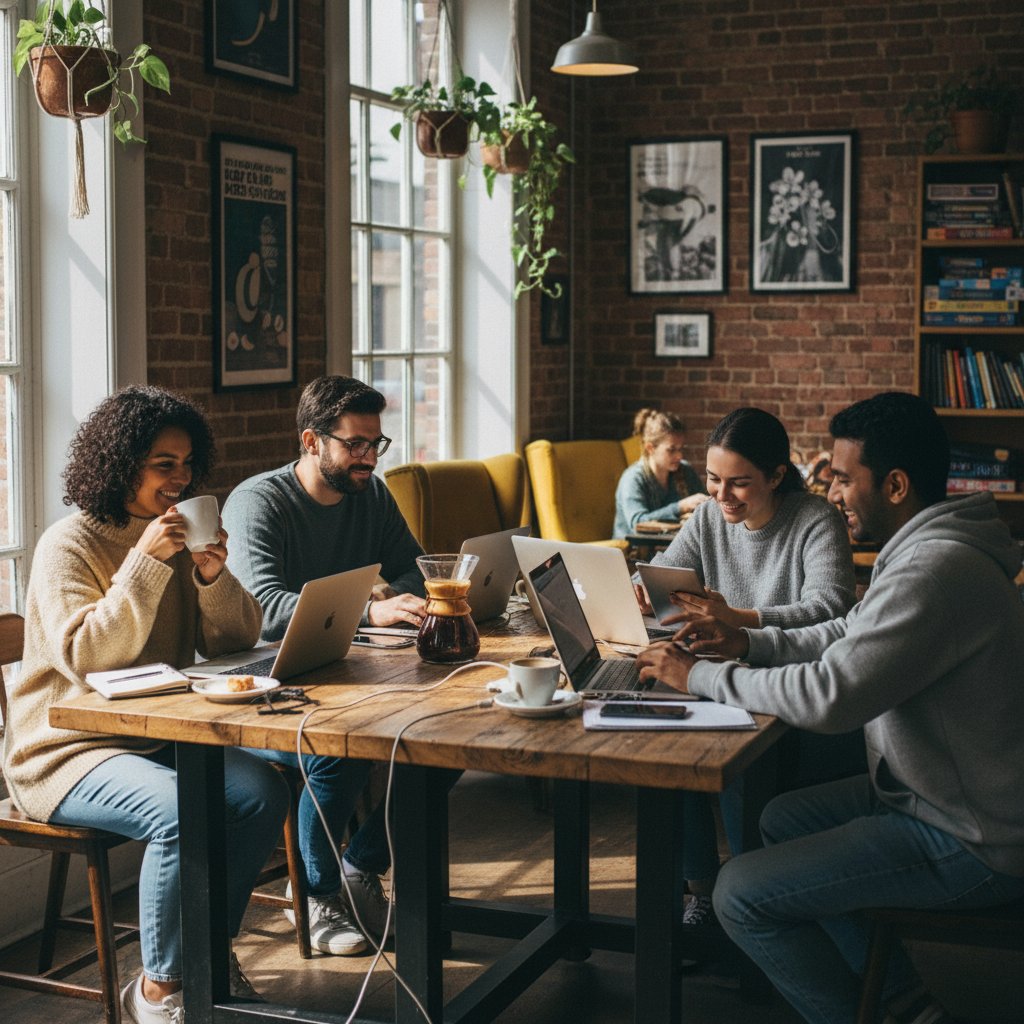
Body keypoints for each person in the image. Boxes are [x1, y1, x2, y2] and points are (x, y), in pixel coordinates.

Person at [637, 392, 1024, 1024]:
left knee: (738, 894)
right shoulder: (930, 548)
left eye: (844, 478)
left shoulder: (933, 572)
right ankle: (899, 997)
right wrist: (748, 643)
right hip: (936, 794)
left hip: (973, 835)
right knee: (783, 817)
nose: (834, 491)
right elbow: (845, 633)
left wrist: (702, 674)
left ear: (894, 485)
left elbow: (828, 694)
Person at [1, 386, 290, 1024]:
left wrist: (212, 577)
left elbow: (239, 637)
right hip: (64, 749)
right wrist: (143, 563)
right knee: (183, 814)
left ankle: (206, 953)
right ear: (120, 464)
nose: (180, 478)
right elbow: (90, 658)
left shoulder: (181, 536)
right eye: (164, 464)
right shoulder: (68, 544)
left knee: (262, 794)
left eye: (187, 465)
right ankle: (160, 990)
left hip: (156, 733)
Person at [222, 374, 427, 956]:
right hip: (259, 685)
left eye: (376, 443)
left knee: (435, 741)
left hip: (344, 670)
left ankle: (361, 862)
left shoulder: (372, 494)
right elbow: (262, 610)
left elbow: (414, 568)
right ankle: (316, 892)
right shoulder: (258, 502)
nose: (368, 457)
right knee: (338, 747)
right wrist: (369, 608)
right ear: (312, 441)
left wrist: (385, 601)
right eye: (355, 444)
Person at [638, 407, 857, 934]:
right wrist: (645, 589)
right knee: (667, 749)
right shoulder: (712, 516)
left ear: (777, 475)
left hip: (789, 684)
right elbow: (670, 575)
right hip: (721, 674)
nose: (721, 496)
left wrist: (742, 620)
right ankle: (703, 891)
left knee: (739, 766)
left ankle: (756, 894)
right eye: (713, 480)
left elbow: (830, 609)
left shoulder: (814, 518)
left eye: (739, 484)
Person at [613, 408, 709, 539]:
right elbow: (638, 523)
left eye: (681, 449)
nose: (679, 456)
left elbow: (707, 509)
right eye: (671, 450)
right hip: (635, 554)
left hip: (671, 549)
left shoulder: (685, 470)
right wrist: (680, 507)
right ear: (650, 448)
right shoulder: (633, 478)